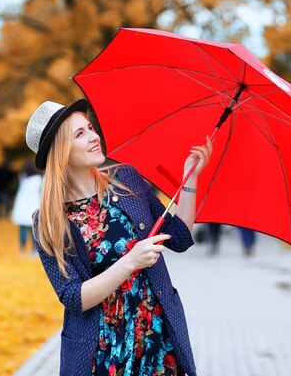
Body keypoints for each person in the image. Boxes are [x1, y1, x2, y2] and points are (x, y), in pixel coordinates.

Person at [25, 99, 212, 376]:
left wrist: (191, 179)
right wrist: (130, 262)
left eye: (90, 128)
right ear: (60, 152)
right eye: (80, 134)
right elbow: (74, 297)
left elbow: (180, 238)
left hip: (155, 339)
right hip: (102, 351)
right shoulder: (50, 222)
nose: (93, 137)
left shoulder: (126, 179)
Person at [11, 160, 43, 256]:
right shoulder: (38, 179)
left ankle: (22, 249)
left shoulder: (22, 178)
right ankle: (34, 250)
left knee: (23, 229)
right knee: (33, 230)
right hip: (34, 205)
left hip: (22, 207)